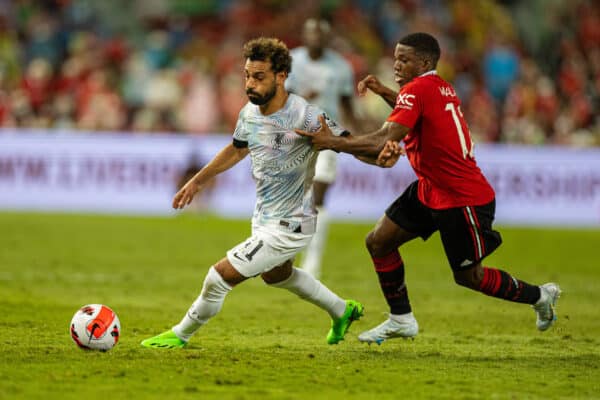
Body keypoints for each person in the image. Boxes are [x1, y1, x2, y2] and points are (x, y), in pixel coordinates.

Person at [296, 32, 561, 344]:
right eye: (395, 58)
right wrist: (385, 93)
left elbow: (384, 139)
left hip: (461, 197)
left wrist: (332, 142)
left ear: (424, 62)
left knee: (469, 277)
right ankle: (401, 319)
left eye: (404, 60)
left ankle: (540, 296)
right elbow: (414, 113)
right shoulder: (436, 87)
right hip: (430, 189)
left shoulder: (417, 90)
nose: (396, 65)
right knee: (379, 242)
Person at [141, 37, 363, 349]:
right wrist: (198, 181)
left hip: (291, 224)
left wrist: (382, 151)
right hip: (264, 218)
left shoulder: (307, 115)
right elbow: (236, 149)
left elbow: (352, 143)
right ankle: (342, 310)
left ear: (281, 76)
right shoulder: (249, 113)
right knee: (278, 276)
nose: (249, 84)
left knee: (218, 278)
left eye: (258, 77)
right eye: (247, 75)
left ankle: (180, 334)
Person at [285, 18, 361, 279]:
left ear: (327, 37)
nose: (315, 38)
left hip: (329, 135)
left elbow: (348, 104)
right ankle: (288, 252)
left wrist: (356, 138)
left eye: (320, 34)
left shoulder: (341, 67)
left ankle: (313, 261)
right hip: (296, 136)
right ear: (304, 36)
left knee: (318, 197)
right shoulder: (291, 61)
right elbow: (278, 101)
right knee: (295, 198)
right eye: (311, 33)